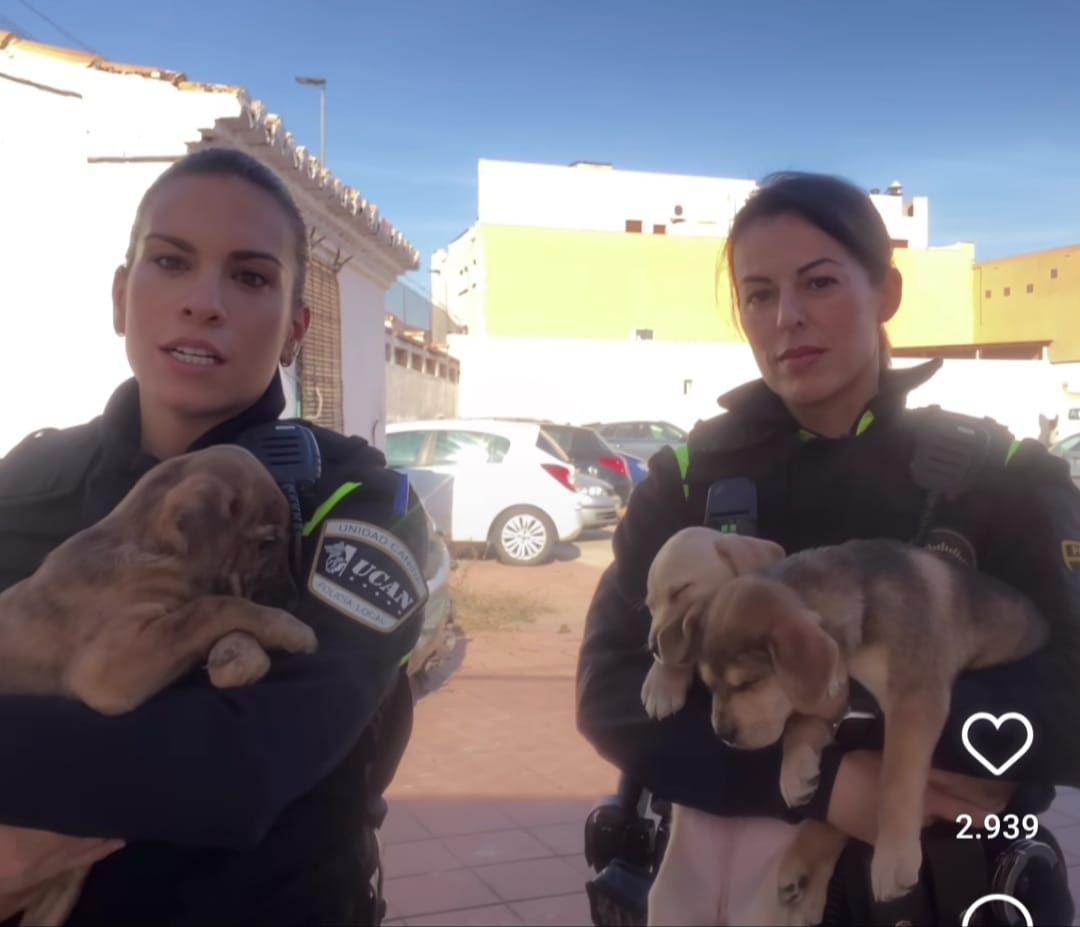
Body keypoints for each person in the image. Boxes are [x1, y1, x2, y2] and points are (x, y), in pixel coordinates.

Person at [577, 171, 1080, 924]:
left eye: (818, 282)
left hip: (936, 893)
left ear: (887, 293)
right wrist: (830, 783)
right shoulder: (691, 482)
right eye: (758, 294)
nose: (787, 318)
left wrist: (884, 740)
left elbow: (1067, 699)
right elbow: (610, 692)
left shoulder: (1000, 481)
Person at [0, 147, 429, 925]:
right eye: (170, 261)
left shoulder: (356, 505)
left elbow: (238, 769)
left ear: (297, 327)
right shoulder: (23, 482)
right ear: (122, 296)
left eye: (251, 276)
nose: (204, 301)